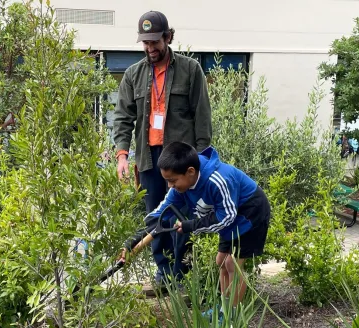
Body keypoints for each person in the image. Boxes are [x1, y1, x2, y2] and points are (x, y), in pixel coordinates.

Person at [112, 10, 212, 287]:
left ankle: (183, 272)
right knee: (154, 216)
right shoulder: (133, 74)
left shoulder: (190, 70)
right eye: (145, 43)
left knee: (183, 215)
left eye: (155, 41)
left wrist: (204, 158)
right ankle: (163, 274)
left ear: (168, 37)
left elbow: (202, 116)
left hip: (181, 159)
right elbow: (123, 117)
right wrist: (122, 154)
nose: (150, 48)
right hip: (148, 158)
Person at [123, 142, 271, 319]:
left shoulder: (217, 180)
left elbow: (226, 218)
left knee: (233, 264)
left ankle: (232, 316)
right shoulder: (180, 186)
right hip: (227, 213)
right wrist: (130, 242)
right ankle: (224, 309)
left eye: (172, 180)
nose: (170, 186)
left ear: (190, 172)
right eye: (167, 181)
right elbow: (158, 214)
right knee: (221, 262)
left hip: (250, 213)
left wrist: (189, 225)